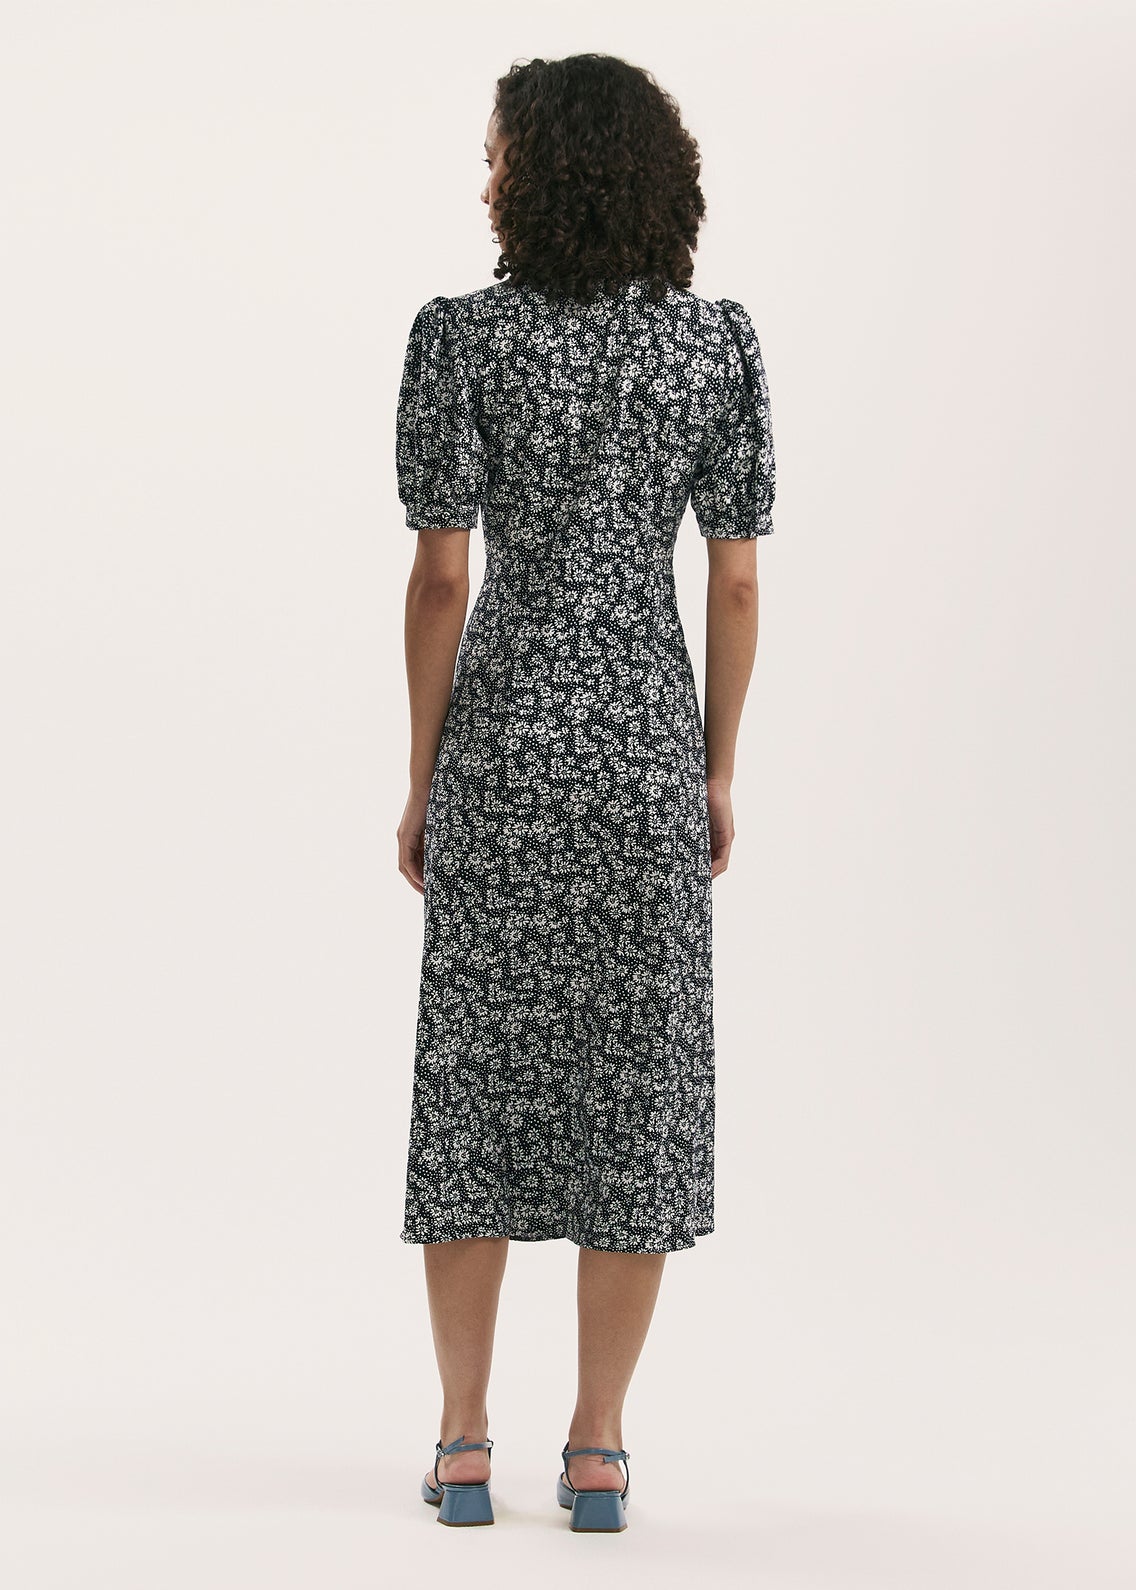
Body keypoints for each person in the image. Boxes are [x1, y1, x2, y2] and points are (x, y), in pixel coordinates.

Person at [394, 52, 776, 1533]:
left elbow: (442, 574)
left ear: (537, 173)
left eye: (496, 154)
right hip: (637, 747)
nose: (482, 176)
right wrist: (714, 762)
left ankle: (461, 1438)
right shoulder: (714, 347)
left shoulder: (458, 340)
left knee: (475, 1086)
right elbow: (733, 580)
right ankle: (600, 1444)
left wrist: (422, 771)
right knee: (636, 1089)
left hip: (500, 746)